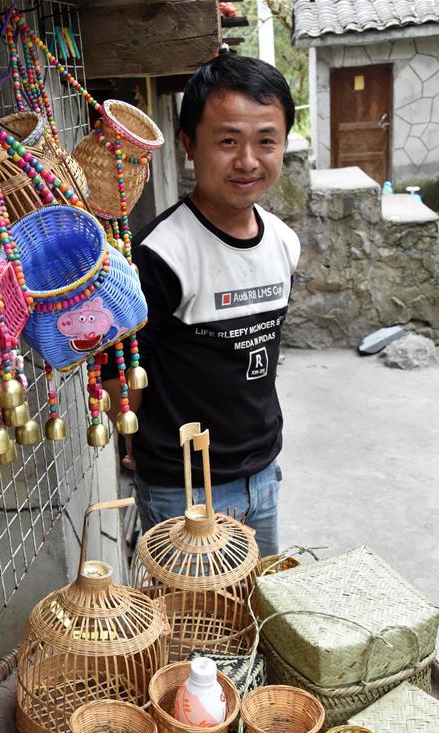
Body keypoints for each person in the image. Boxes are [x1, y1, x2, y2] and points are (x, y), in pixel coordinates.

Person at [103, 53, 300, 557]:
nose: (248, 161)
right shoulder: (158, 255)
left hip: (263, 474)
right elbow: (120, 376)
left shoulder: (282, 242)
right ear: (190, 144)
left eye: (266, 140)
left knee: (258, 621)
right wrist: (136, 444)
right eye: (228, 140)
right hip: (185, 494)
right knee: (198, 634)